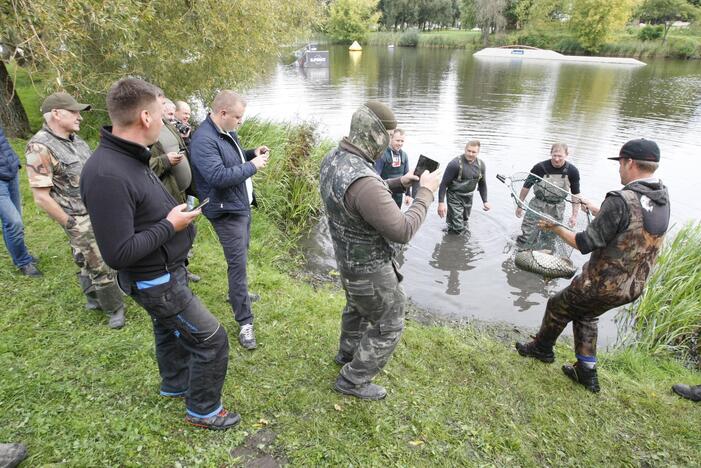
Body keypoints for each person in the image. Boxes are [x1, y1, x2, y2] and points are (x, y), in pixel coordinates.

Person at [80, 77, 238, 430]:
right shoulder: (106, 173)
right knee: (212, 339)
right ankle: (204, 410)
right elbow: (118, 253)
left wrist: (175, 220)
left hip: (168, 269)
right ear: (147, 118)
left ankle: (175, 384)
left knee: (168, 330)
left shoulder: (131, 156)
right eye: (161, 115)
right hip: (155, 279)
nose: (167, 122)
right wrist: (170, 226)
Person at [515, 139, 670, 393]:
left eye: (620, 163)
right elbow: (630, 225)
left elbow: (584, 243)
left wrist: (555, 226)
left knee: (557, 305)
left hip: (601, 284)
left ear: (629, 162)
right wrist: (598, 210)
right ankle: (586, 373)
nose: (619, 169)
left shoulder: (620, 198)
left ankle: (541, 350)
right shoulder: (660, 195)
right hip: (634, 285)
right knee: (586, 314)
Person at [320, 101, 440, 400]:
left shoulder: (335, 158)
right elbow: (402, 229)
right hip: (371, 268)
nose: (389, 141)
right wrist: (425, 192)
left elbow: (360, 195)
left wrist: (400, 183)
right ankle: (353, 379)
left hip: (346, 259)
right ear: (375, 135)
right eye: (387, 134)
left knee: (357, 308)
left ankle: (347, 354)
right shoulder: (364, 180)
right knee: (390, 322)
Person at [25, 92, 125, 328]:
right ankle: (115, 309)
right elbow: (41, 197)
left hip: (97, 211)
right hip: (78, 216)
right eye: (74, 112)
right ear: (56, 114)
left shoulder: (76, 141)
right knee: (98, 263)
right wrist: (69, 222)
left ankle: (93, 300)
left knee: (84, 259)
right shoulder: (39, 147)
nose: (79, 117)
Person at [189, 91, 269, 350]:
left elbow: (232, 160)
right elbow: (218, 176)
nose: (240, 122)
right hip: (225, 211)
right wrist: (254, 165)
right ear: (222, 113)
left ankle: (238, 294)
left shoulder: (225, 132)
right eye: (237, 117)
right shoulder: (203, 139)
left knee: (240, 259)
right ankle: (245, 322)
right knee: (238, 265)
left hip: (240, 206)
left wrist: (249, 153)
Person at [149, 93, 200, 283]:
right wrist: (165, 161)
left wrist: (185, 140)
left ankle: (183, 270)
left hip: (181, 192)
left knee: (185, 233)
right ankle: (173, 274)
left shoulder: (168, 126)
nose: (166, 109)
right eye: (162, 104)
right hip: (164, 194)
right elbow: (143, 166)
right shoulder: (147, 132)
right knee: (171, 236)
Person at [515, 143, 581, 249]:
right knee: (527, 235)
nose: (556, 159)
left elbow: (576, 195)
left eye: (560, 156)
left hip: (557, 208)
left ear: (566, 155)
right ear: (551, 153)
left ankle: (543, 258)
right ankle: (521, 255)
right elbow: (526, 187)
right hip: (537, 204)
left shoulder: (572, 171)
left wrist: (574, 216)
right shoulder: (539, 168)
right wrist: (519, 205)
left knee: (549, 238)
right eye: (554, 155)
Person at [0, 125, 41, 277]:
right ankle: (23, 262)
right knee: (13, 222)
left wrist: (13, 161)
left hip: (10, 170)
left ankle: (20, 255)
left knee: (14, 221)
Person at [437, 140, 490, 234]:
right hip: (454, 196)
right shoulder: (455, 164)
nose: (470, 154)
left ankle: (449, 232)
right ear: (465, 149)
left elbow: (482, 184)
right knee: (458, 227)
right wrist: (441, 203)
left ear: (478, 152)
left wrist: (485, 201)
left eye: (474, 152)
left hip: (468, 197)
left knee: (464, 221)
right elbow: (443, 184)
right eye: (468, 151)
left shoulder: (481, 165)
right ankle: (456, 244)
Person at [375, 128, 412, 207]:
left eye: (402, 141)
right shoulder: (382, 154)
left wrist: (408, 194)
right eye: (397, 140)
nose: (400, 143)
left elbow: (407, 175)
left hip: (398, 195)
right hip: (384, 194)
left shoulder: (404, 156)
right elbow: (376, 176)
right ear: (391, 139)